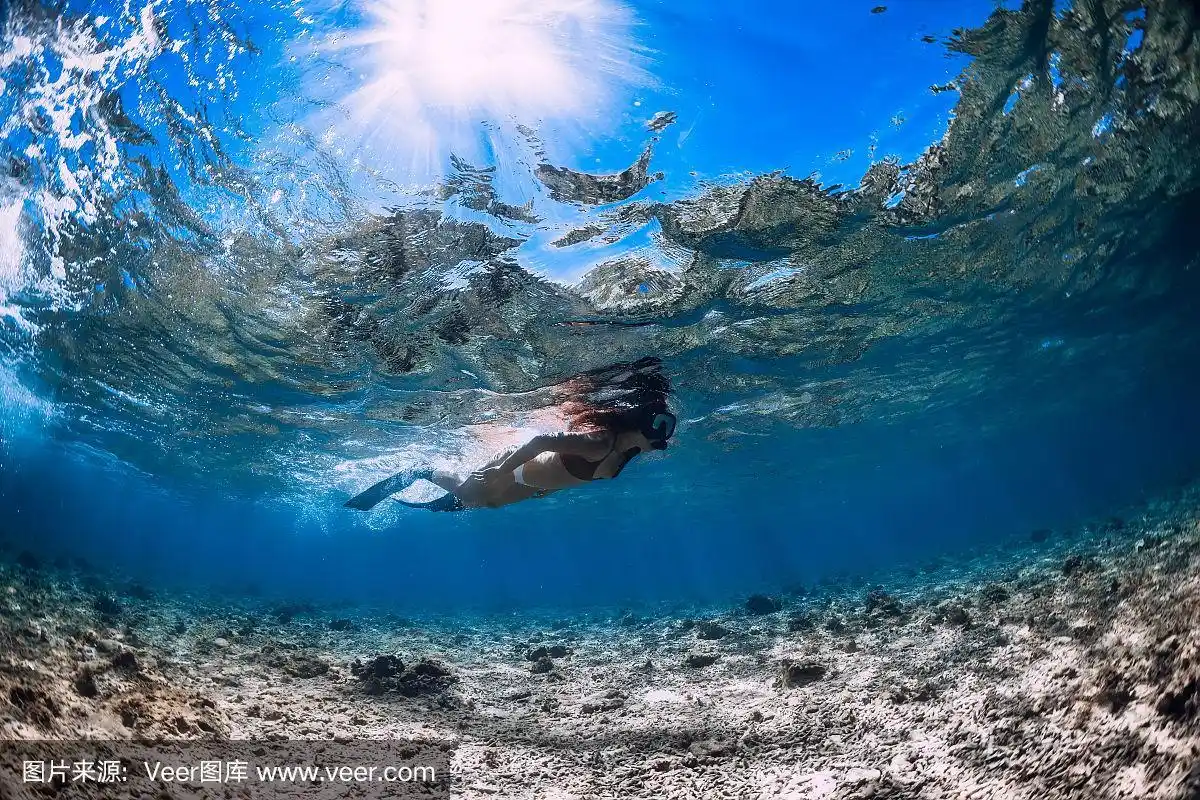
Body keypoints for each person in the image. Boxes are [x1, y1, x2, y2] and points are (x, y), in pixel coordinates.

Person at [343, 357, 676, 512]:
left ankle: (437, 499)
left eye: (667, 425)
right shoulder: (601, 441)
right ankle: (419, 471)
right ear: (640, 423)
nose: (665, 435)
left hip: (528, 482)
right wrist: (500, 470)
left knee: (486, 504)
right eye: (661, 425)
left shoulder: (627, 451)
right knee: (472, 499)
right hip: (510, 469)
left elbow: (573, 471)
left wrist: (551, 487)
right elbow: (541, 442)